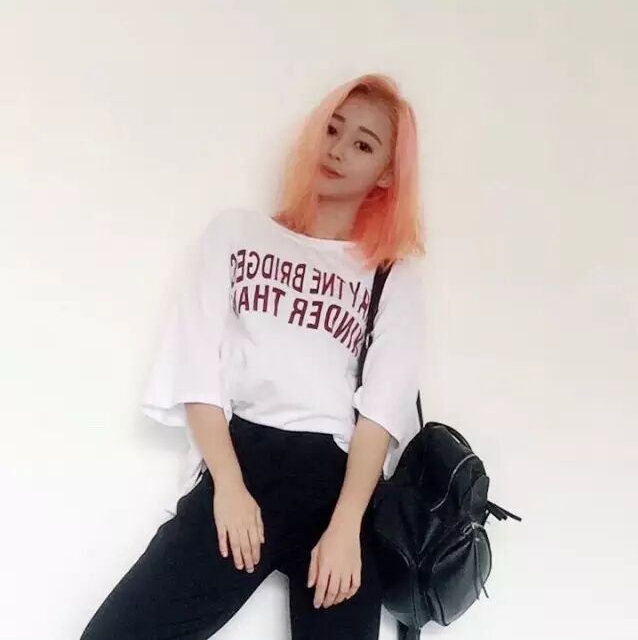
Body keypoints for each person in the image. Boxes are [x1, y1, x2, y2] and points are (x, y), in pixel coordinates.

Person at [79, 72, 427, 640]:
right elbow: (196, 369)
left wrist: (346, 526)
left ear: (386, 173)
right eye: (332, 130)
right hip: (242, 461)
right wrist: (229, 486)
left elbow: (381, 411)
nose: (338, 150)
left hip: (338, 482)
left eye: (363, 145)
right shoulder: (237, 235)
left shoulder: (390, 275)